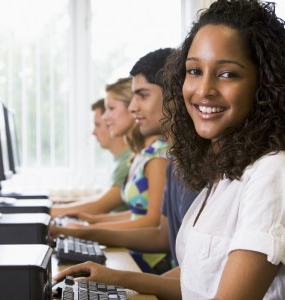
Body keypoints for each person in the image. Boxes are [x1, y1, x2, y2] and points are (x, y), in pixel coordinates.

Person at [53, 1, 285, 299]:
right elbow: (197, 283)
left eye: (227, 74)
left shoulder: (271, 171)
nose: (203, 90)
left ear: (264, 84)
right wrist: (114, 277)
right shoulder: (226, 172)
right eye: (194, 71)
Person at [51, 48, 198, 272]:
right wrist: (87, 226)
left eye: (143, 95)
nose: (132, 107)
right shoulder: (173, 161)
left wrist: (87, 228)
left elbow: (156, 228)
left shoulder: (166, 157)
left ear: (174, 93)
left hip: (159, 267)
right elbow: (162, 234)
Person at [51, 98, 131, 215]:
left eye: (97, 125)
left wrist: (45, 211)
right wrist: (59, 203)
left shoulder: (127, 162)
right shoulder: (119, 160)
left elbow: (98, 207)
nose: (93, 132)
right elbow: (100, 199)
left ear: (111, 123)